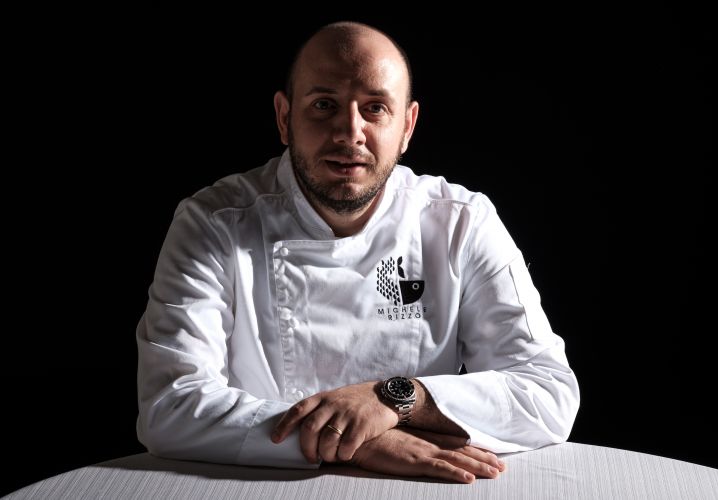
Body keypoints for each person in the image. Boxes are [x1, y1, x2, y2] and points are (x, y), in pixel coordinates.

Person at [136, 21, 580, 484]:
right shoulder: (213, 223)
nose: (350, 132)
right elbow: (170, 404)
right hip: (264, 485)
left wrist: (395, 399)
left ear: (407, 126)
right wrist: (358, 441)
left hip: (420, 487)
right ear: (284, 117)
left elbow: (548, 392)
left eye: (375, 108)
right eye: (324, 105)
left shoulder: (460, 223)